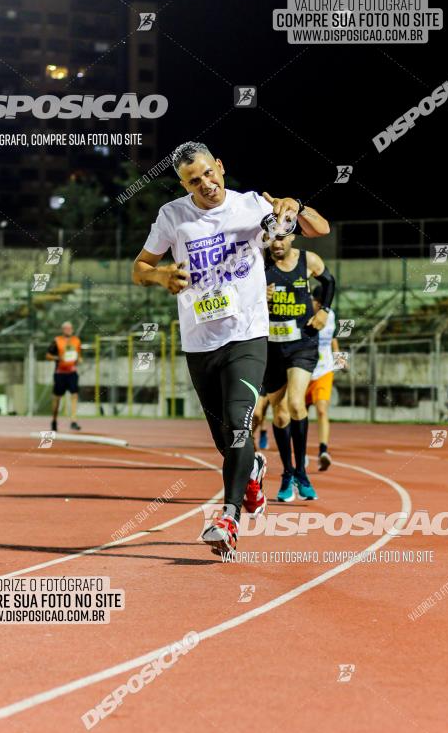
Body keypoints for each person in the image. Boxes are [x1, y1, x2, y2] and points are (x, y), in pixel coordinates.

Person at [132, 141, 329, 554]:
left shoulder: (253, 205)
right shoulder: (173, 216)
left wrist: (296, 207)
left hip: (248, 335)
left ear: (220, 167)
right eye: (193, 180)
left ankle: (228, 518)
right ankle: (253, 469)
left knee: (240, 425)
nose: (205, 184)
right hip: (200, 341)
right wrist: (161, 277)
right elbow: (140, 267)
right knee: (228, 440)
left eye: (208, 173)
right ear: (183, 184)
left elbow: (315, 229)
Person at [263, 231, 336, 503]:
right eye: (271, 239)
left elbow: (329, 281)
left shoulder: (308, 260)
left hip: (302, 344)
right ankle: (287, 473)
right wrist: (260, 297)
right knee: (280, 415)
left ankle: (302, 474)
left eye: (281, 238)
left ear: (291, 237)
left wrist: (324, 310)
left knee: (296, 403)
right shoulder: (259, 265)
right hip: (270, 347)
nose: (276, 244)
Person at [305, 285, 341, 471]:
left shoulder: (331, 315)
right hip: (303, 370)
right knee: (299, 414)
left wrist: (339, 357)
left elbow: (333, 337)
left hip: (323, 370)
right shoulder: (304, 314)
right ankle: (300, 452)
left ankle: (323, 451)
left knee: (321, 410)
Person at [46, 322, 82, 432]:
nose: (68, 330)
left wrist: (79, 360)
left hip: (72, 372)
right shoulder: (57, 341)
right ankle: (54, 420)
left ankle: (74, 421)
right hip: (60, 373)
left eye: (70, 328)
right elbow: (48, 355)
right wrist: (58, 358)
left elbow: (79, 355)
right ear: (63, 330)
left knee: (74, 395)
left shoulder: (76, 341)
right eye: (66, 328)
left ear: (72, 329)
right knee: (57, 398)